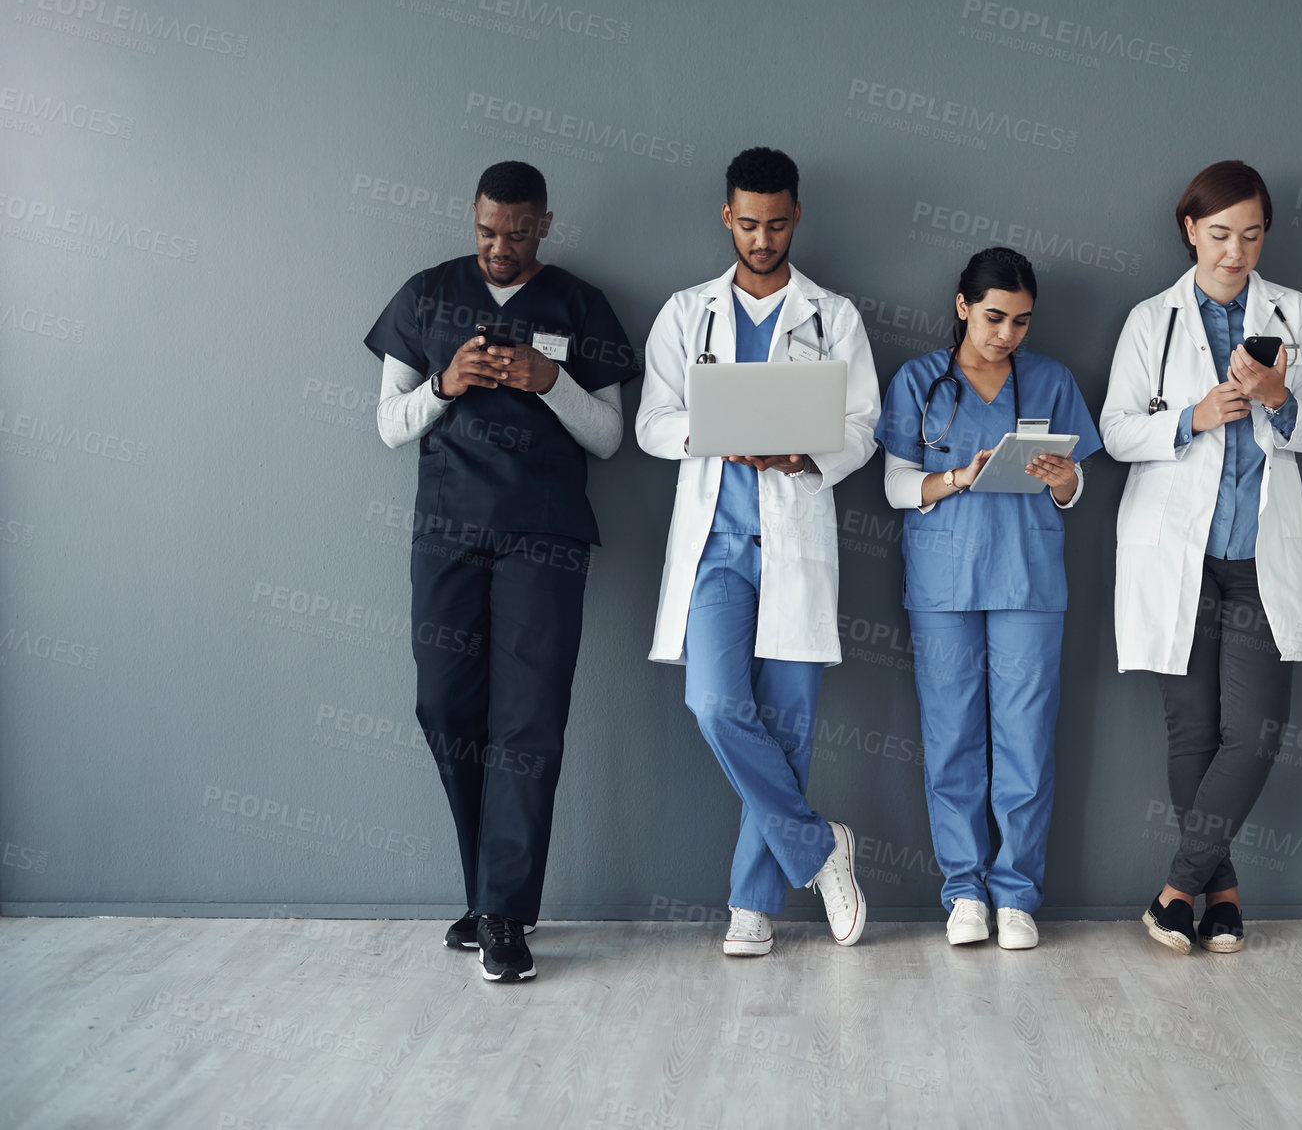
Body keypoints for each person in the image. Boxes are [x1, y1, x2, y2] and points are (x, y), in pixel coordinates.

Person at [364, 160, 639, 982]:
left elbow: (608, 438)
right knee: (445, 708)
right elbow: (387, 426)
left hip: (543, 541)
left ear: (544, 226)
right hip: (447, 534)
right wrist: (447, 383)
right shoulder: (426, 296)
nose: (499, 248)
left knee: (528, 726)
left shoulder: (580, 304)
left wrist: (550, 383)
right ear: (473, 218)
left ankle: (507, 917)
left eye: (517, 234)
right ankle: (487, 894)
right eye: (487, 231)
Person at [636, 147, 879, 956]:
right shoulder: (686, 313)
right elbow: (652, 424)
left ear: (797, 217)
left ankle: (753, 905)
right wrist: (720, 431)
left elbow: (862, 429)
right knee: (713, 703)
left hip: (794, 537)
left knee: (786, 724)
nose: (762, 239)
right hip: (716, 546)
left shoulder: (833, 317)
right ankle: (819, 847)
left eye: (776, 224)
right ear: (726, 217)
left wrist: (802, 456)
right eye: (748, 223)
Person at [1100, 160, 1302, 956]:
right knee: (1193, 732)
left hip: (1258, 558)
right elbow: (1115, 431)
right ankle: (1224, 896)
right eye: (1221, 234)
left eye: (1252, 234)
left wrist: (1276, 395)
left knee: (1256, 731)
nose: (1236, 252)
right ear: (1190, 230)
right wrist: (1193, 416)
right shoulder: (1151, 320)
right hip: (1180, 556)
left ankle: (1175, 892)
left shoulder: (1293, 314)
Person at [875, 248, 1100, 951]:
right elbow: (895, 487)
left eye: (1022, 322)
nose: (1006, 334)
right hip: (944, 583)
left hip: (1028, 580)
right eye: (995, 316)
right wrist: (957, 478)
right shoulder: (919, 382)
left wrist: (1064, 479)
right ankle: (965, 891)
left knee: (1027, 743)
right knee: (952, 743)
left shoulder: (1052, 381)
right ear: (963, 305)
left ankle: (1017, 895)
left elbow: (1073, 493)